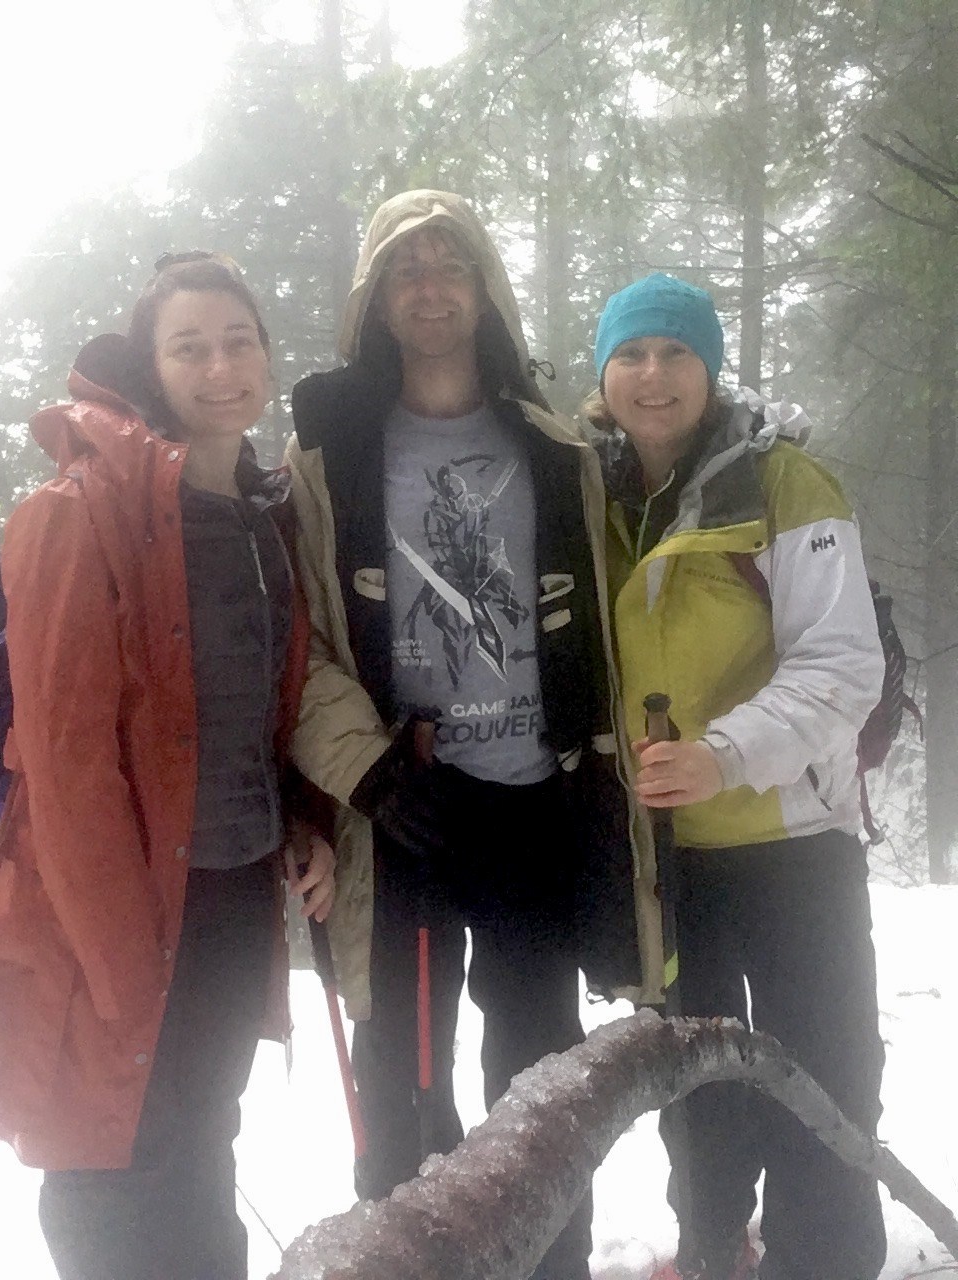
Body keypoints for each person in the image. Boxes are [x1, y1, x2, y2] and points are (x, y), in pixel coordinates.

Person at [286, 189, 648, 1280]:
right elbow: (297, 642)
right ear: (377, 299)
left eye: (452, 264)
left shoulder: (558, 449)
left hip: (538, 802)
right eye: (407, 269)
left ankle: (552, 1264)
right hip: (412, 813)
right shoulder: (327, 462)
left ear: (484, 287)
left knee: (540, 1079)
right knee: (405, 1088)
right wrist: (376, 773)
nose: (432, 286)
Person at [0, 253, 334, 1280]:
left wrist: (300, 821)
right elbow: (65, 764)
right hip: (116, 912)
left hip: (233, 892)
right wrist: (121, 959)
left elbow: (247, 719)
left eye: (239, 340)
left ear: (269, 359)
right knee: (113, 1152)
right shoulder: (77, 511)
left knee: (204, 1135)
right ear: (152, 366)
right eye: (188, 345)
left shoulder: (262, 517)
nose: (219, 363)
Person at [587, 272, 887, 1280]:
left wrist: (724, 754)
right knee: (694, 1081)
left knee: (827, 1069)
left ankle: (827, 1259)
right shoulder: (591, 493)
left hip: (792, 838)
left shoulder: (785, 483)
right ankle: (714, 1247)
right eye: (630, 353)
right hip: (669, 858)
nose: (653, 372)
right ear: (604, 373)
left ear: (710, 367)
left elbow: (843, 662)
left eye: (676, 351)